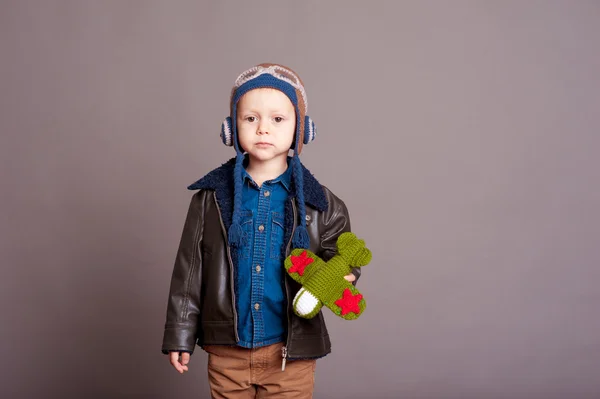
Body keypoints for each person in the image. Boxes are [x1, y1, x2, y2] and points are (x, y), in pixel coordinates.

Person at [161, 63, 362, 398]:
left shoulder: (322, 204)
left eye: (278, 119)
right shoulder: (208, 201)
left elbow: (344, 259)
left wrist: (343, 274)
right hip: (227, 354)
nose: (263, 129)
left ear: (303, 130)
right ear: (231, 128)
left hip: (291, 356)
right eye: (250, 118)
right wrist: (179, 335)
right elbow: (189, 273)